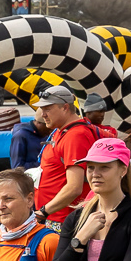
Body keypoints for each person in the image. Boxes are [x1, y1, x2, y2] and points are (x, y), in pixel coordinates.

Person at [34, 86, 101, 222]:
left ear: (65, 107)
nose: (43, 114)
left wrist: (43, 212)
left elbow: (74, 187)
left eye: (47, 109)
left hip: (63, 220)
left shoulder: (75, 136)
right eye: (42, 109)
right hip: (55, 216)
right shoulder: (63, 130)